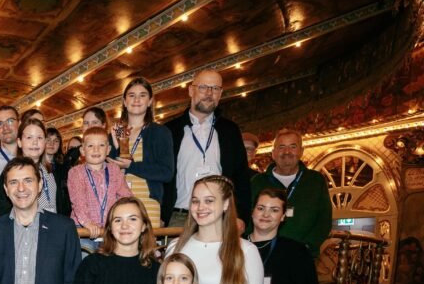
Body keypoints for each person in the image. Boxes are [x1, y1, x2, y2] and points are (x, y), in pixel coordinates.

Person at [162, 70, 251, 227]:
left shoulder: (230, 131)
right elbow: (161, 177)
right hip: (178, 217)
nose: (209, 93)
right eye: (203, 87)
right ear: (191, 90)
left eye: (215, 88)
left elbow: (241, 176)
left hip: (220, 218)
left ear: (221, 93)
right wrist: (161, 215)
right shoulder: (169, 130)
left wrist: (241, 216)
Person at [249, 129, 333, 257]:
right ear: (273, 153)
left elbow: (324, 219)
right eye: (281, 147)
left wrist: (307, 246)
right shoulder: (257, 182)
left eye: (293, 146)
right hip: (262, 254)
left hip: (303, 256)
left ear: (301, 151)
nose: (287, 151)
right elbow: (248, 216)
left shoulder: (315, 181)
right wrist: (254, 247)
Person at [109, 77, 175, 228]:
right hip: (118, 202)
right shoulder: (118, 131)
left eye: (142, 95)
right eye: (131, 95)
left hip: (147, 203)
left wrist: (131, 166)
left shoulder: (160, 132)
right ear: (125, 102)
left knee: (145, 250)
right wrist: (113, 145)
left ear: (150, 101)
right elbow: (108, 171)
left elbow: (166, 172)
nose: (136, 100)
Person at [67, 127, 130, 241]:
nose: (96, 150)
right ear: (82, 150)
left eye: (101, 145)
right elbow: (78, 202)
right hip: (83, 230)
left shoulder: (114, 170)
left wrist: (127, 217)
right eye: (90, 146)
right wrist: (87, 223)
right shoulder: (76, 172)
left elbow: (126, 197)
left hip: (109, 230)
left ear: (108, 149)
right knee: (85, 257)